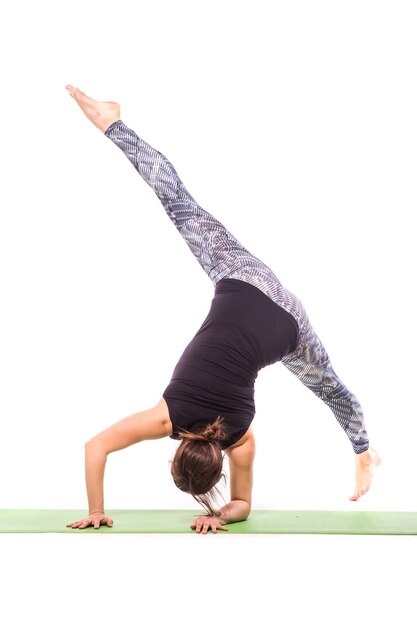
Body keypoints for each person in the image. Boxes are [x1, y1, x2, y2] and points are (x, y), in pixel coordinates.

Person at [65, 85, 381, 534]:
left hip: (290, 327)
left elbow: (242, 505)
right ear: (175, 452)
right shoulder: (165, 418)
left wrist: (220, 513)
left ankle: (364, 450)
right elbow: (95, 447)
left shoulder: (239, 439)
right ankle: (110, 121)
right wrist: (96, 510)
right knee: (179, 204)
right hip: (245, 284)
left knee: (332, 389)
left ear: (220, 463)